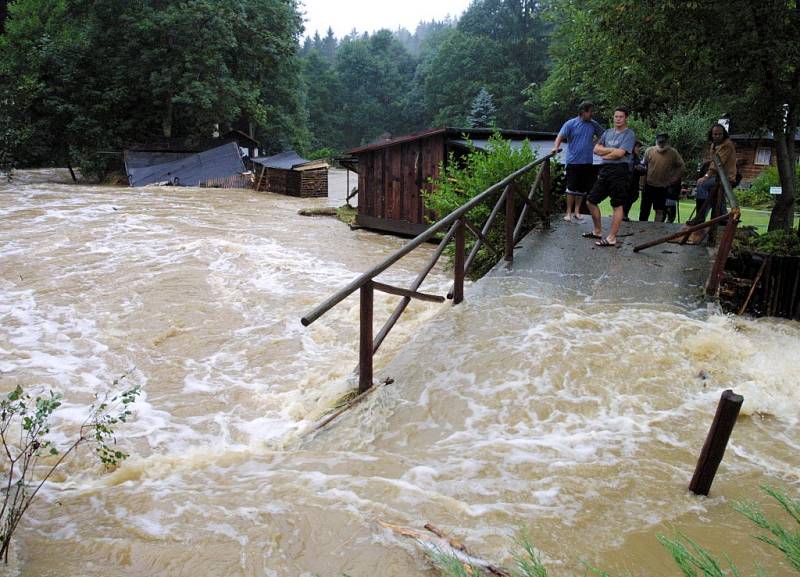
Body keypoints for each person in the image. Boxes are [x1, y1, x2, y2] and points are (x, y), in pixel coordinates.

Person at [583, 107, 636, 247]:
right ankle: (597, 231)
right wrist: (613, 150)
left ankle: (612, 237)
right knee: (591, 200)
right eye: (616, 116)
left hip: (620, 171)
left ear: (626, 118)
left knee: (617, 204)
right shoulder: (607, 132)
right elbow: (595, 149)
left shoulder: (629, 134)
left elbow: (620, 155)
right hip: (605, 170)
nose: (618, 119)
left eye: (621, 117)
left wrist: (605, 154)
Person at [551, 101, 604, 222]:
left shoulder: (593, 124)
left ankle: (577, 211)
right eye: (590, 111)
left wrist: (596, 143)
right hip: (573, 161)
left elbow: (603, 134)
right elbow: (560, 136)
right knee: (571, 188)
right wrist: (555, 147)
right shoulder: (571, 123)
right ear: (583, 112)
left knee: (581, 189)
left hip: (587, 162)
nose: (592, 114)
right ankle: (568, 212)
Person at [687, 124, 736, 225]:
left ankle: (700, 217)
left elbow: (718, 163)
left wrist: (706, 177)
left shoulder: (727, 145)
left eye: (719, 134)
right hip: (717, 177)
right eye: (715, 134)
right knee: (716, 197)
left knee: (702, 185)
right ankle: (722, 218)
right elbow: (713, 160)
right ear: (712, 135)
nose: (717, 136)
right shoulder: (714, 145)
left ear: (724, 134)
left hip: (725, 177)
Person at [639, 133, 685, 222]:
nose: (661, 144)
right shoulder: (649, 151)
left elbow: (681, 166)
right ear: (656, 141)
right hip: (649, 185)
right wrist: (641, 182)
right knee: (644, 209)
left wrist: (675, 178)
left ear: (667, 142)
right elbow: (643, 165)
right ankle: (642, 227)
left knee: (660, 210)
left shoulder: (673, 153)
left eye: (663, 142)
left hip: (663, 187)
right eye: (659, 142)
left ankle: (657, 229)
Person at [623, 140, 645, 221]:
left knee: (633, 197)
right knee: (627, 197)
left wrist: (642, 169)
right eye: (637, 147)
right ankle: (622, 214)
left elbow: (641, 169)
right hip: (627, 182)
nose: (638, 149)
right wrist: (635, 167)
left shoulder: (636, 157)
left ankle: (624, 214)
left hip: (633, 183)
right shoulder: (627, 156)